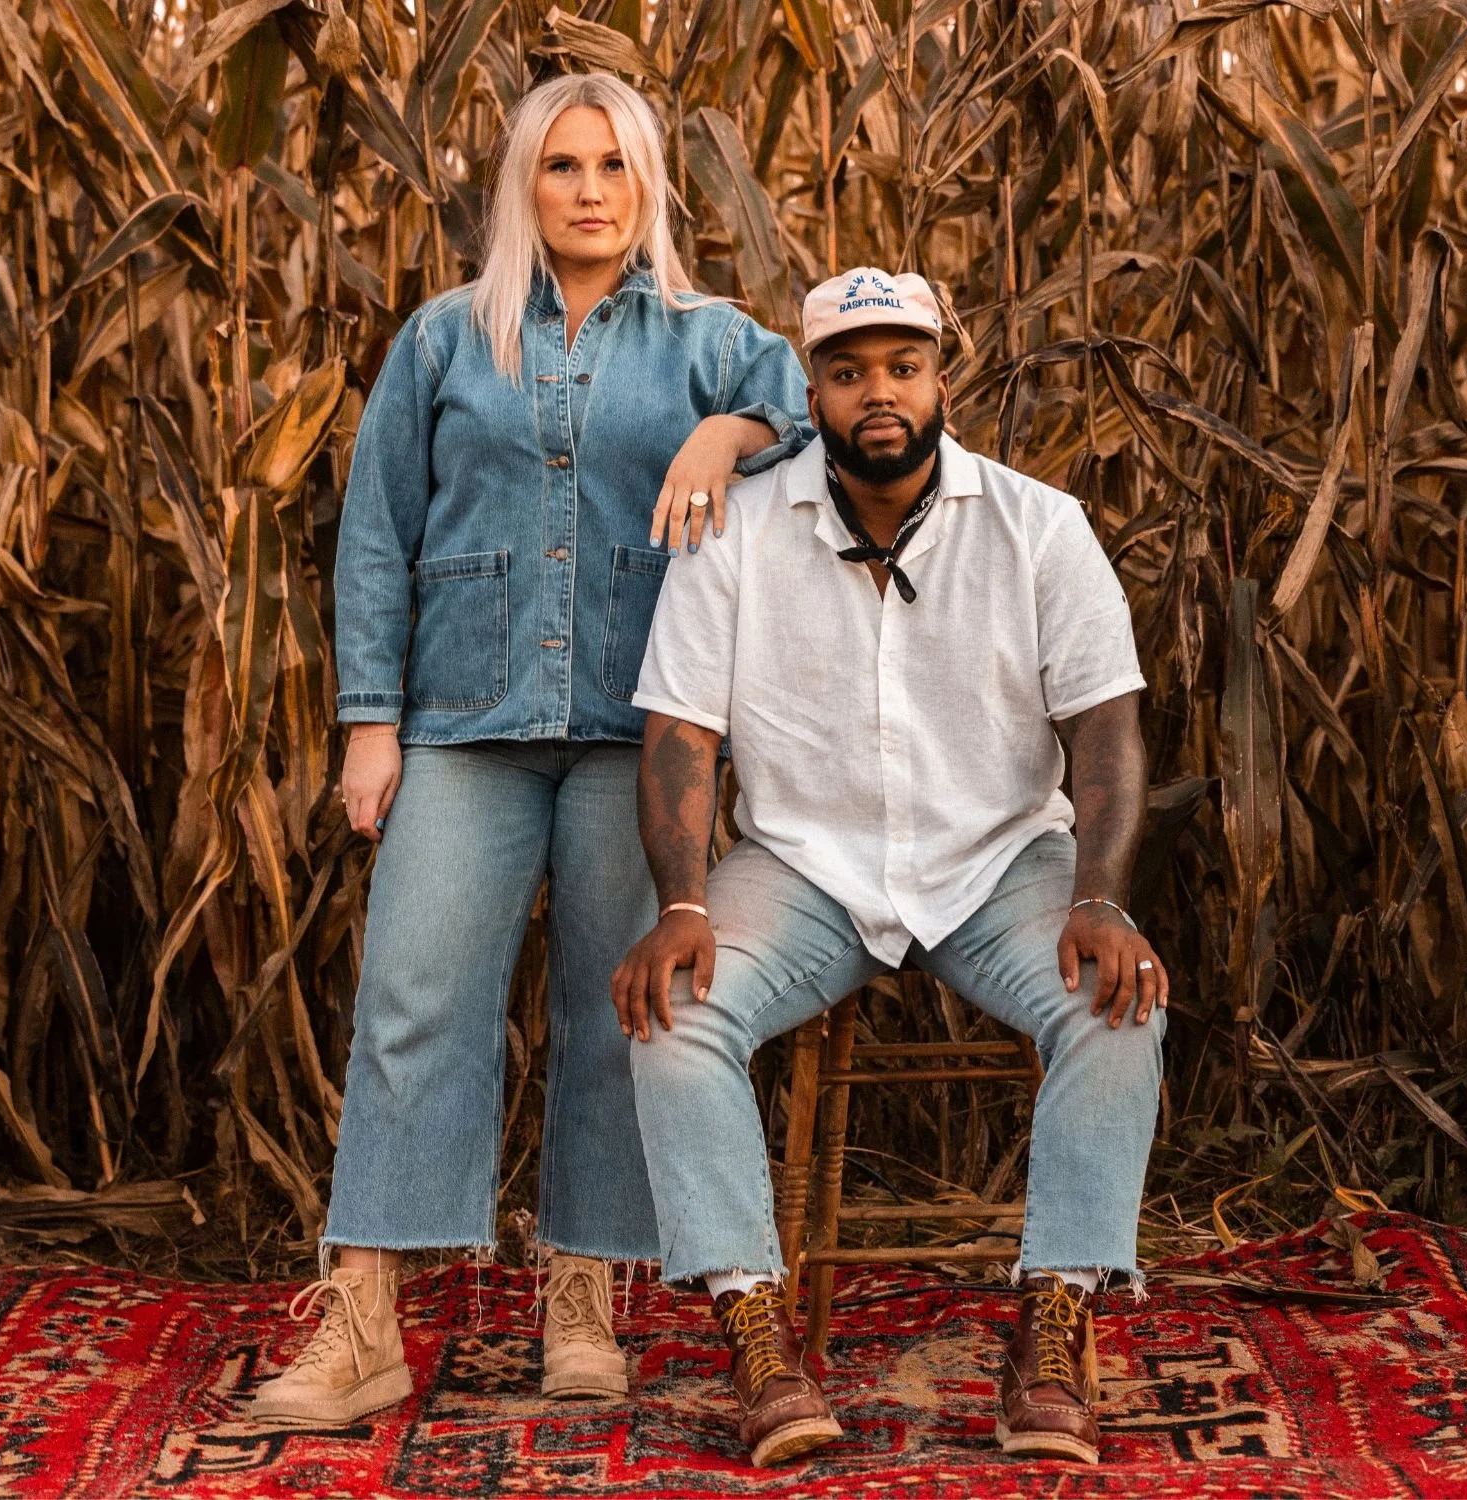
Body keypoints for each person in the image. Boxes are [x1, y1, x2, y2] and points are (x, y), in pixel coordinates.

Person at [244, 72, 809, 1428]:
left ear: (648, 183)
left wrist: (727, 431)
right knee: (412, 1000)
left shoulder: (705, 341)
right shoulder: (445, 340)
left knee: (616, 1018)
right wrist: (369, 722)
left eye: (613, 164)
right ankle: (364, 1318)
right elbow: (377, 530)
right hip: (464, 725)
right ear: (524, 184)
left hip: (638, 733)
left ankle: (582, 1294)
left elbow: (809, 410)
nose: (589, 190)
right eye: (562, 165)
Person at [611, 268, 1173, 1467]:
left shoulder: (1037, 525)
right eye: (849, 371)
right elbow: (680, 733)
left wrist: (1099, 897)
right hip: (806, 868)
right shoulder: (739, 533)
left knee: (1118, 1004)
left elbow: (1105, 728)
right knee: (673, 1012)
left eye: (903, 368)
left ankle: (1056, 1321)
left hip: (996, 861)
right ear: (810, 393)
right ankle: (754, 1331)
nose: (880, 392)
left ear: (939, 382)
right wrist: (682, 900)